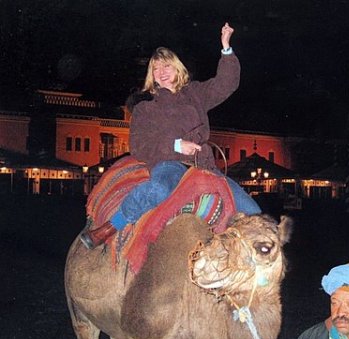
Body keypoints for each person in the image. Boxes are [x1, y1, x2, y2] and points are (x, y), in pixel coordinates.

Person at [80, 22, 261, 249]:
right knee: (158, 189)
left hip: (203, 166)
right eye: (156, 68)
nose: (162, 72)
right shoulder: (146, 107)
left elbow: (226, 84)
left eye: (167, 66)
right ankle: (109, 227)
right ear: (152, 75)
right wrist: (176, 145)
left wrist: (226, 48)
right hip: (169, 165)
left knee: (253, 212)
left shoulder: (195, 94)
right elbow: (138, 146)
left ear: (178, 69)